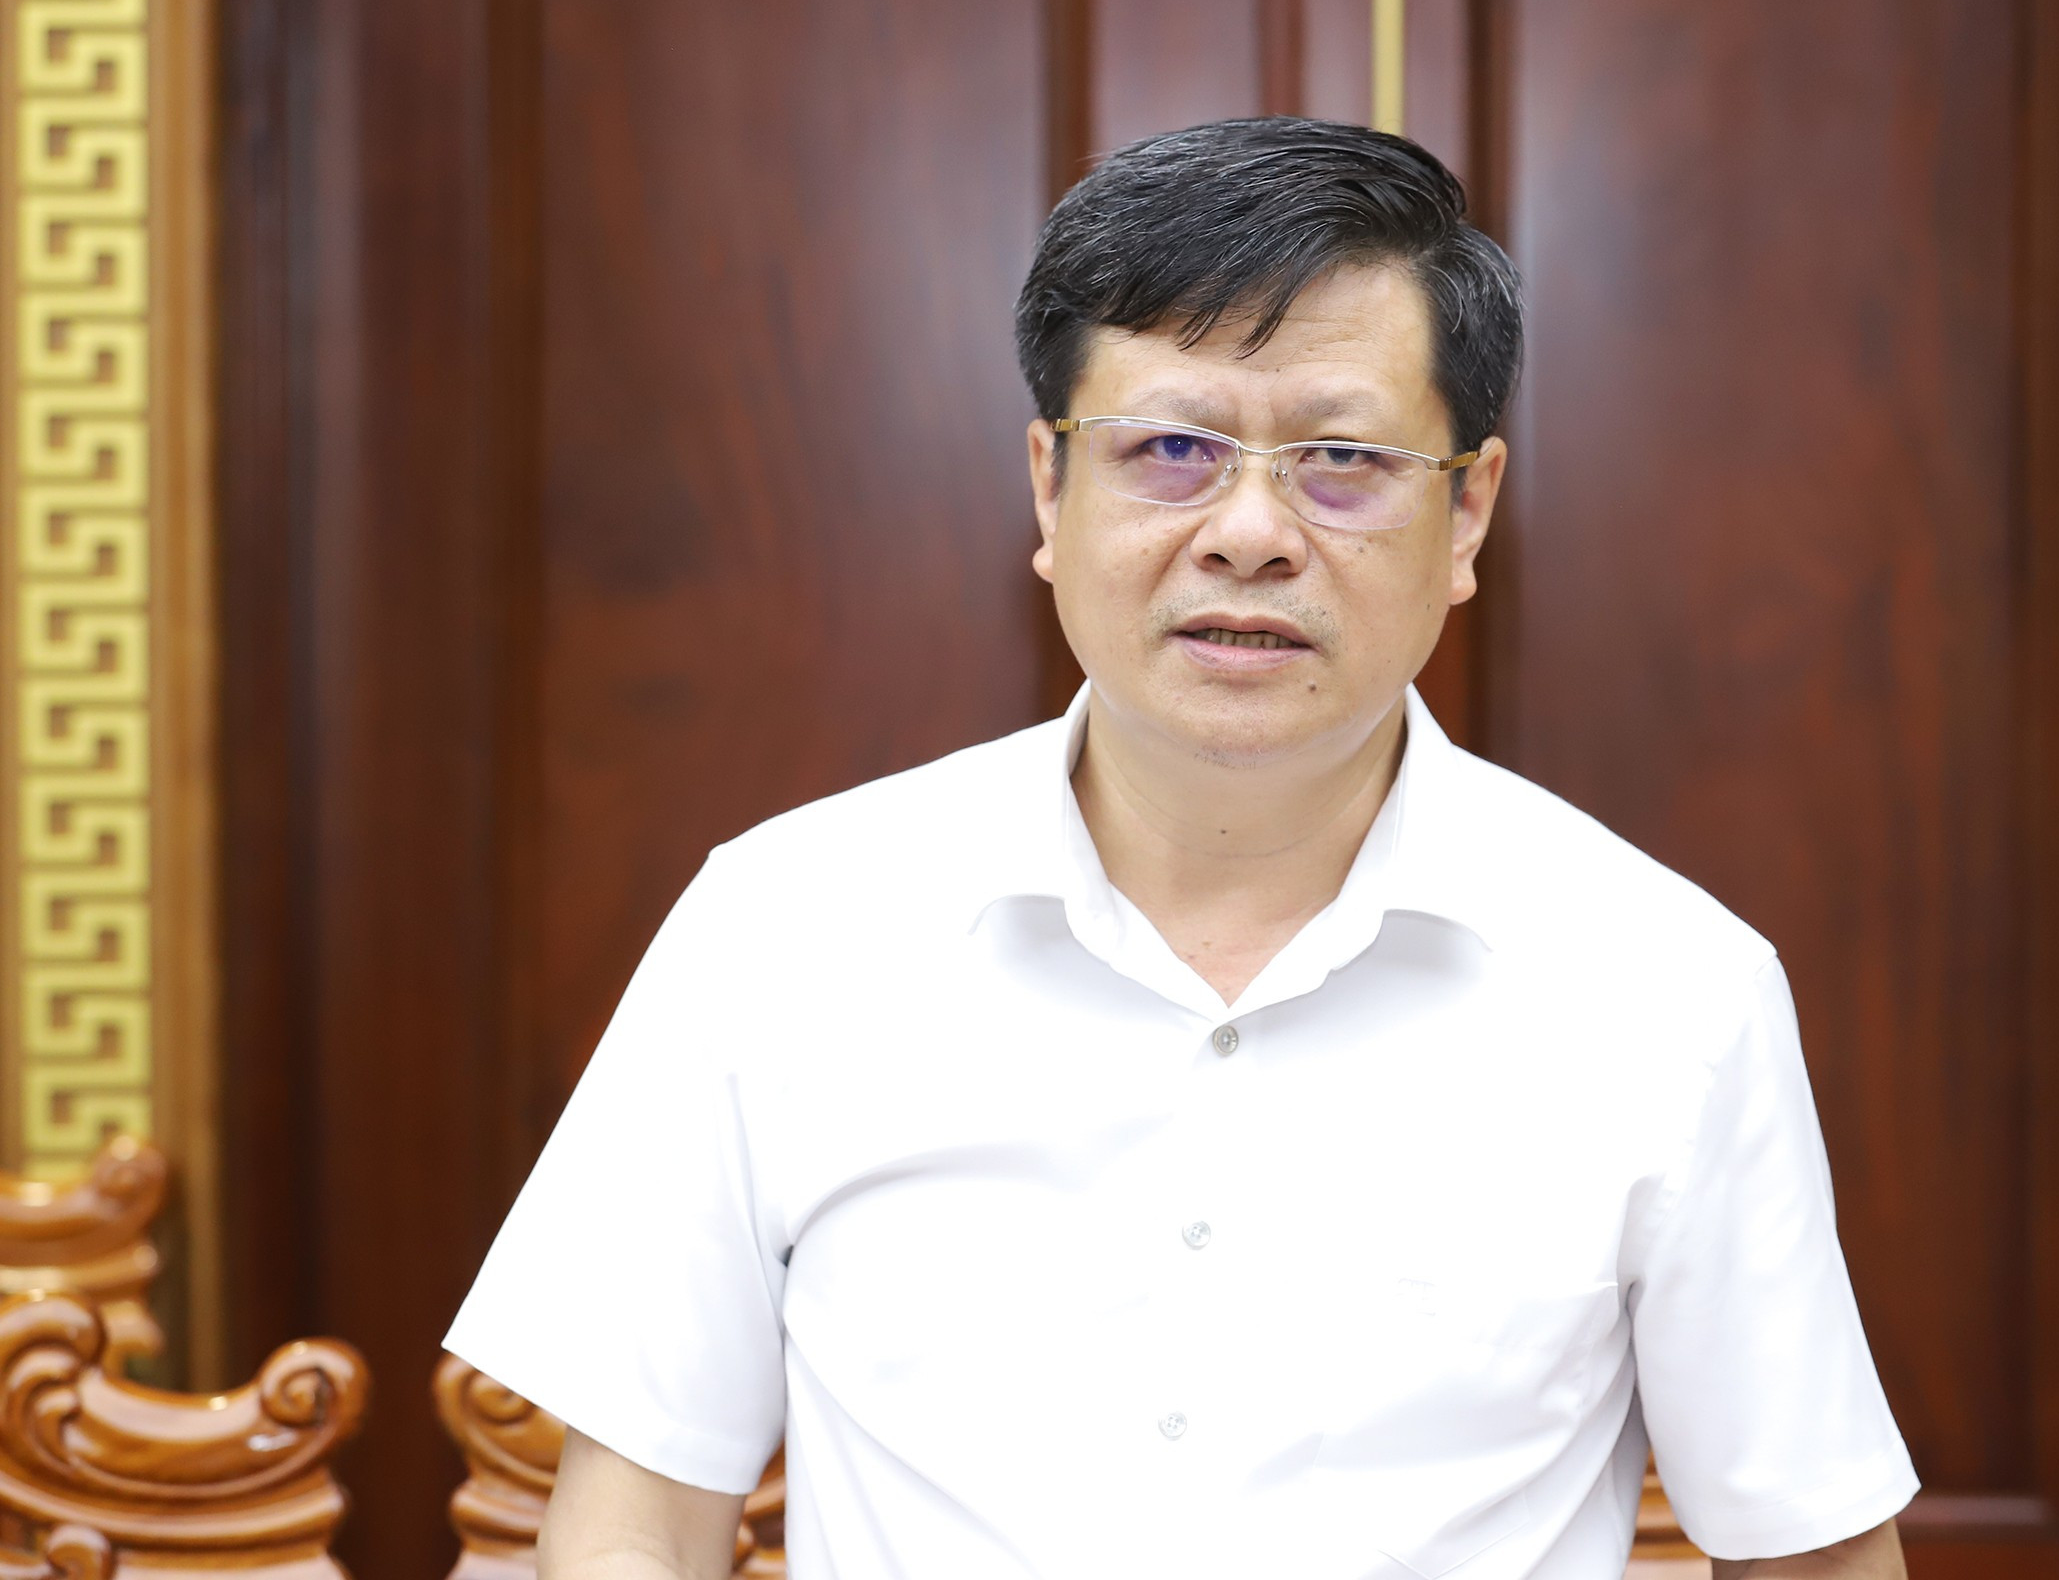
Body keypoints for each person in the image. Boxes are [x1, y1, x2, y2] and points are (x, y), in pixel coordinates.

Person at [446, 116, 1918, 1580]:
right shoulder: (782, 928)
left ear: (1468, 510)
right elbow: (635, 1527)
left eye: (1343, 458)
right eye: (1168, 449)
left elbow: (1814, 1557)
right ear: (1048, 486)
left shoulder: (1671, 991)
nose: (1249, 534)